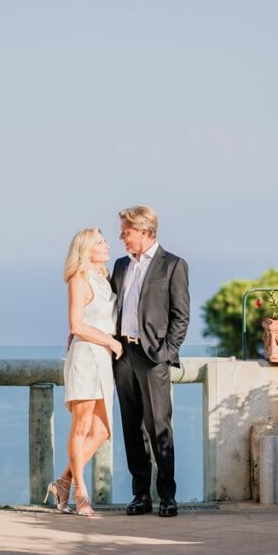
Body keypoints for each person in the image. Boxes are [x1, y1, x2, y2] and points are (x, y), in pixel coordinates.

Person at [111, 205, 190, 518]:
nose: (121, 237)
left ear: (143, 231)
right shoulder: (119, 265)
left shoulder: (172, 265)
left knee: (159, 426)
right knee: (132, 427)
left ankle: (167, 496)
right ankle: (140, 495)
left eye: (126, 232)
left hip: (153, 357)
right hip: (123, 355)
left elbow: (180, 315)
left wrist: (167, 353)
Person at [45, 228, 121, 517]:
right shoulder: (78, 280)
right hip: (87, 356)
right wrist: (111, 341)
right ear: (85, 249)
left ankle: (63, 481)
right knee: (81, 425)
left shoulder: (103, 279)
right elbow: (76, 325)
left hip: (101, 358)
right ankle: (80, 493)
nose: (107, 245)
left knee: (102, 430)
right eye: (100, 242)